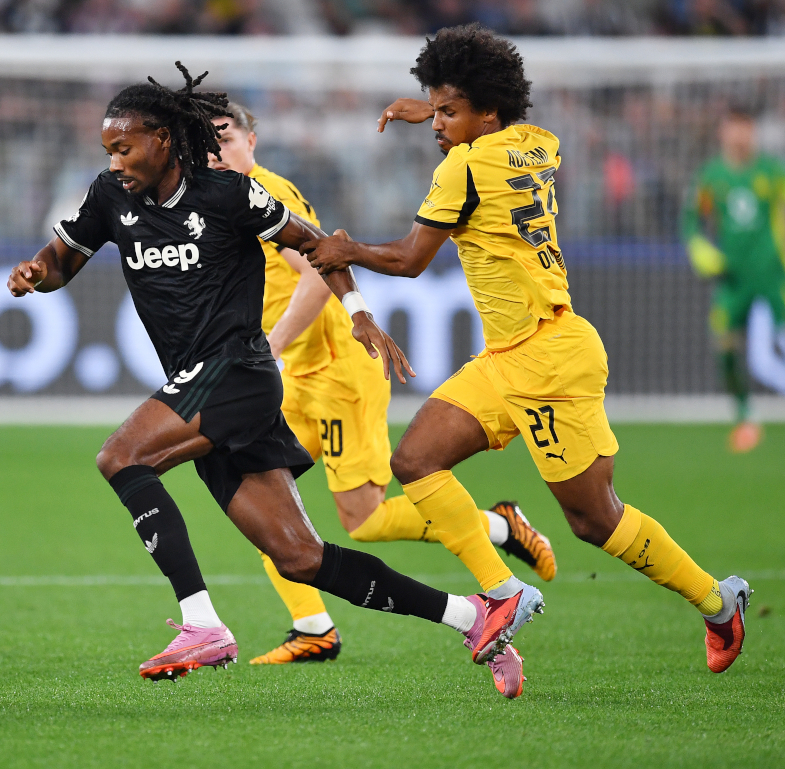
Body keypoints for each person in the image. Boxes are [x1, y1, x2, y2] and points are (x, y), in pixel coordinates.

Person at [7, 62, 527, 696]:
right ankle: (474, 617)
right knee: (301, 557)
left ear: (164, 139)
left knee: (120, 457)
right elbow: (64, 259)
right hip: (203, 383)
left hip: (237, 373)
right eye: (108, 150)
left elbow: (316, 246)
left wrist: (359, 314)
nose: (116, 161)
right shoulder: (111, 196)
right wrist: (36, 272)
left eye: (125, 147)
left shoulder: (228, 193)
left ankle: (201, 623)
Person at [303, 25, 752, 675]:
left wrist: (348, 251)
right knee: (418, 459)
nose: (438, 122)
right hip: (510, 355)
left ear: (486, 112)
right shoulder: (535, 144)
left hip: (550, 361)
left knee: (595, 521)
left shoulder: (462, 166)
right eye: (437, 106)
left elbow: (408, 260)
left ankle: (717, 601)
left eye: (448, 111)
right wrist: (432, 110)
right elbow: (487, 132)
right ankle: (505, 590)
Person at [208, 101, 557, 667]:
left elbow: (317, 280)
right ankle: (312, 627)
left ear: (253, 140)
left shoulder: (268, 195)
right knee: (259, 491)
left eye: (225, 139)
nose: (216, 151)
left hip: (338, 374)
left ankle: (499, 525)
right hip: (291, 379)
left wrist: (267, 347)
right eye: (207, 143)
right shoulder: (222, 198)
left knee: (363, 521)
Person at [681, 106, 785, 452]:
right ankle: (745, 417)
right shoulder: (710, 177)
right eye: (734, 128)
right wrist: (698, 247)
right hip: (733, 278)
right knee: (724, 346)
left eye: (745, 128)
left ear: (753, 132)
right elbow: (689, 220)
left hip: (774, 274)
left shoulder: (774, 172)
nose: (740, 136)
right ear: (723, 132)